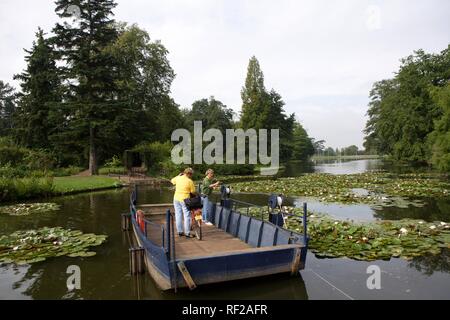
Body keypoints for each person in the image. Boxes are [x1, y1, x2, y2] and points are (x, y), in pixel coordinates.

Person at [171, 167, 196, 238]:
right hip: (185, 200)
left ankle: (180, 232)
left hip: (176, 199)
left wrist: (178, 175)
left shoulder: (178, 178)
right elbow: (193, 192)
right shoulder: (189, 181)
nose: (191, 176)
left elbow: (172, 181)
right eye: (191, 174)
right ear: (189, 174)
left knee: (178, 215)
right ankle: (187, 233)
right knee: (186, 216)